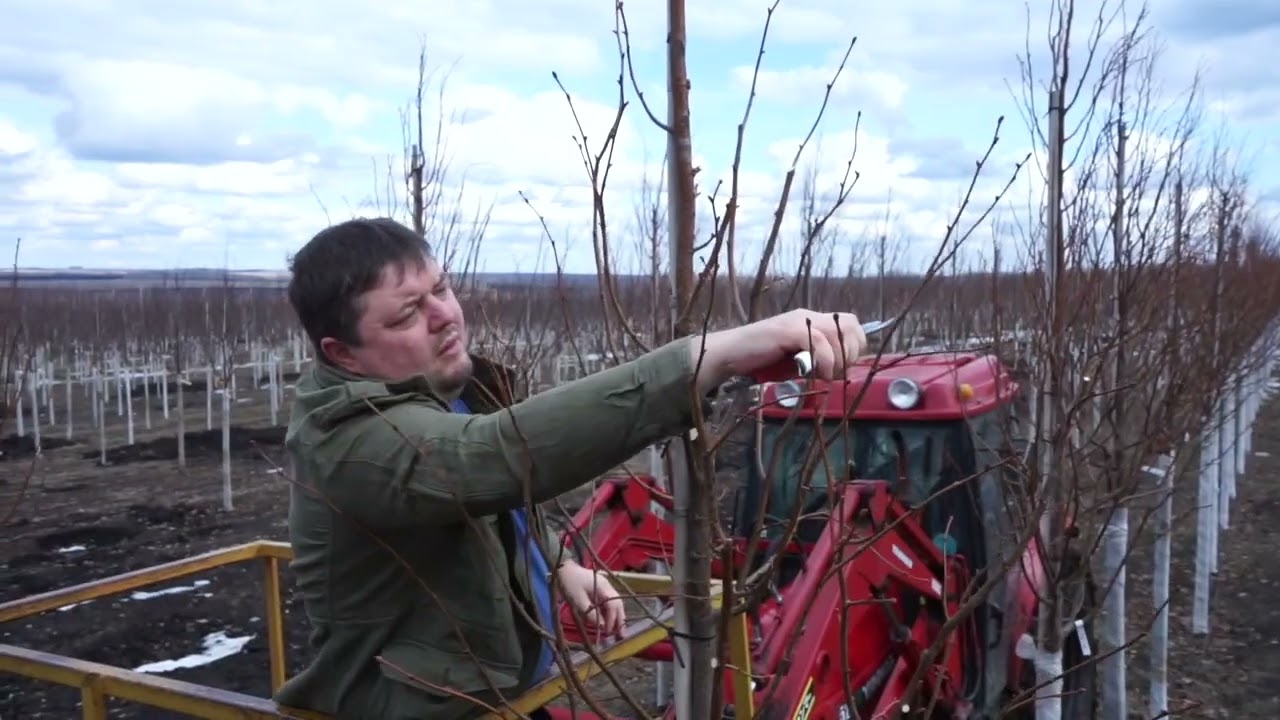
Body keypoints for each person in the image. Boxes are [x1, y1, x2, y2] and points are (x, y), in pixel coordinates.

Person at [272, 216, 868, 720]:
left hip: (494, 694)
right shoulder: (349, 442)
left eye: (442, 288)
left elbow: (482, 502)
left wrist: (558, 563)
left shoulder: (432, 387)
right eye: (407, 315)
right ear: (343, 354)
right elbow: (487, 458)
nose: (445, 316)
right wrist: (710, 357)